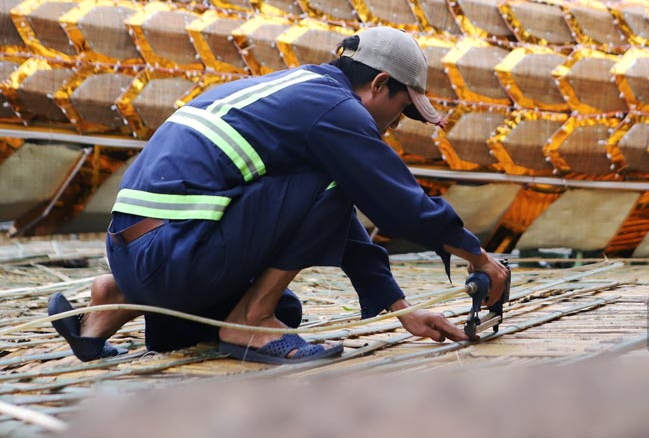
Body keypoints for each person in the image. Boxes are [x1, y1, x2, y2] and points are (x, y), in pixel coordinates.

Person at [48, 26, 509, 364]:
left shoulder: (290, 92)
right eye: (403, 111)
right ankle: (249, 321)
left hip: (135, 250)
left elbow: (329, 215)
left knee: (288, 309)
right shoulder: (337, 112)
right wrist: (478, 258)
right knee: (331, 184)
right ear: (380, 84)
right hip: (171, 254)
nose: (394, 125)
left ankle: (110, 304)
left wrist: (400, 308)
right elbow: (400, 203)